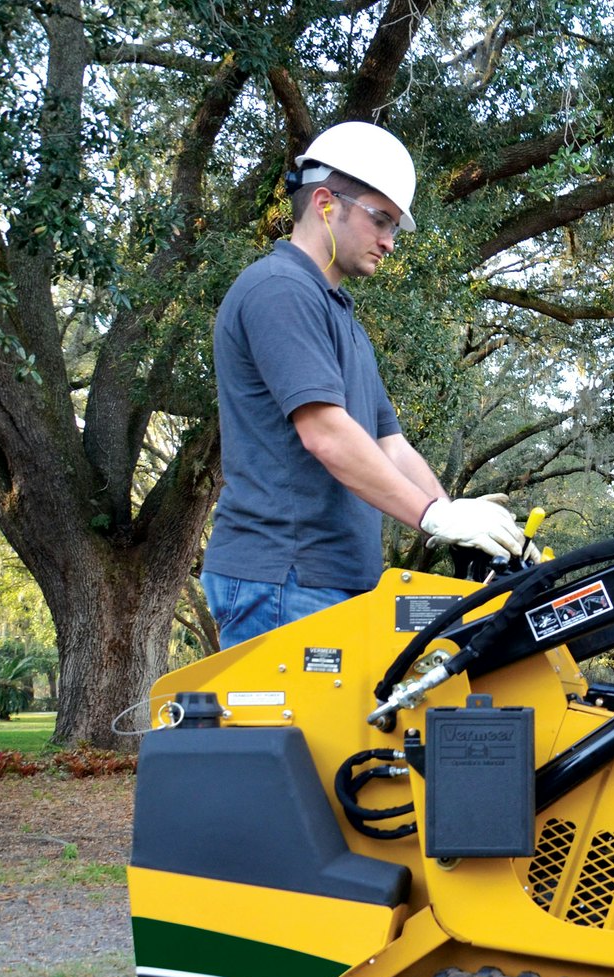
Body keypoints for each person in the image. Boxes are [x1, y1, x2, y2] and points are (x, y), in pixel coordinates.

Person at [201, 121, 525, 647]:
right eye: (381, 219)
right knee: (292, 735)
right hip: (284, 578)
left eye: (395, 226)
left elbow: (388, 444)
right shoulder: (279, 290)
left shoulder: (341, 318)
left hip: (334, 580)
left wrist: (465, 530)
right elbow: (325, 435)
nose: (390, 242)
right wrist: (433, 515)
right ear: (326, 202)